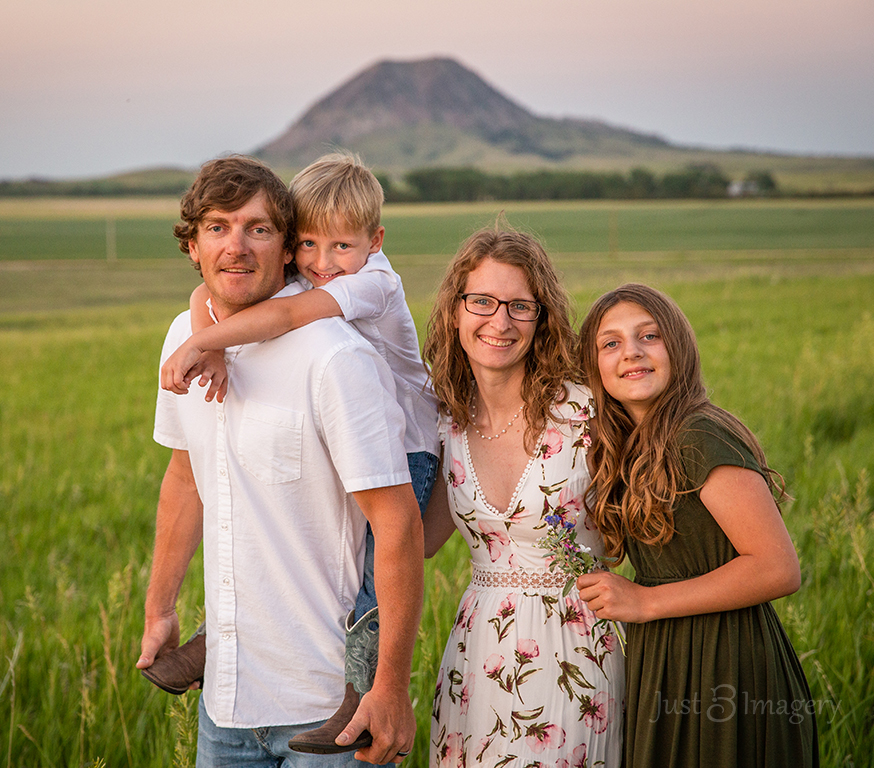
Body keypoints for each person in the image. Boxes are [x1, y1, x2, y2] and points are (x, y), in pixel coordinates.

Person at [144, 152, 440, 754]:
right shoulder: (186, 335)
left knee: (375, 573)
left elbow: (398, 525)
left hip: (319, 698)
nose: (236, 247)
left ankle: (362, 686)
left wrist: (390, 687)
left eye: (257, 228)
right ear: (193, 245)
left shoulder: (337, 343)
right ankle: (212, 640)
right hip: (227, 701)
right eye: (217, 227)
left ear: (280, 247)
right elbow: (185, 479)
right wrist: (159, 608)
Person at [577, 283, 819, 767]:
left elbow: (777, 568)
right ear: (594, 367)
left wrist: (644, 601)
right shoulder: (635, 444)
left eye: (649, 336)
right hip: (668, 656)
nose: (632, 352)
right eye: (611, 343)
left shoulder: (696, 433)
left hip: (724, 660)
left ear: (679, 347)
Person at [421, 229, 624, 767]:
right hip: (478, 652)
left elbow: (648, 525)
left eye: (519, 306)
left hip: (575, 648)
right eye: (482, 301)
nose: (500, 321)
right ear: (456, 311)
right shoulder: (445, 422)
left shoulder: (587, 413)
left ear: (541, 319)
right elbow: (417, 542)